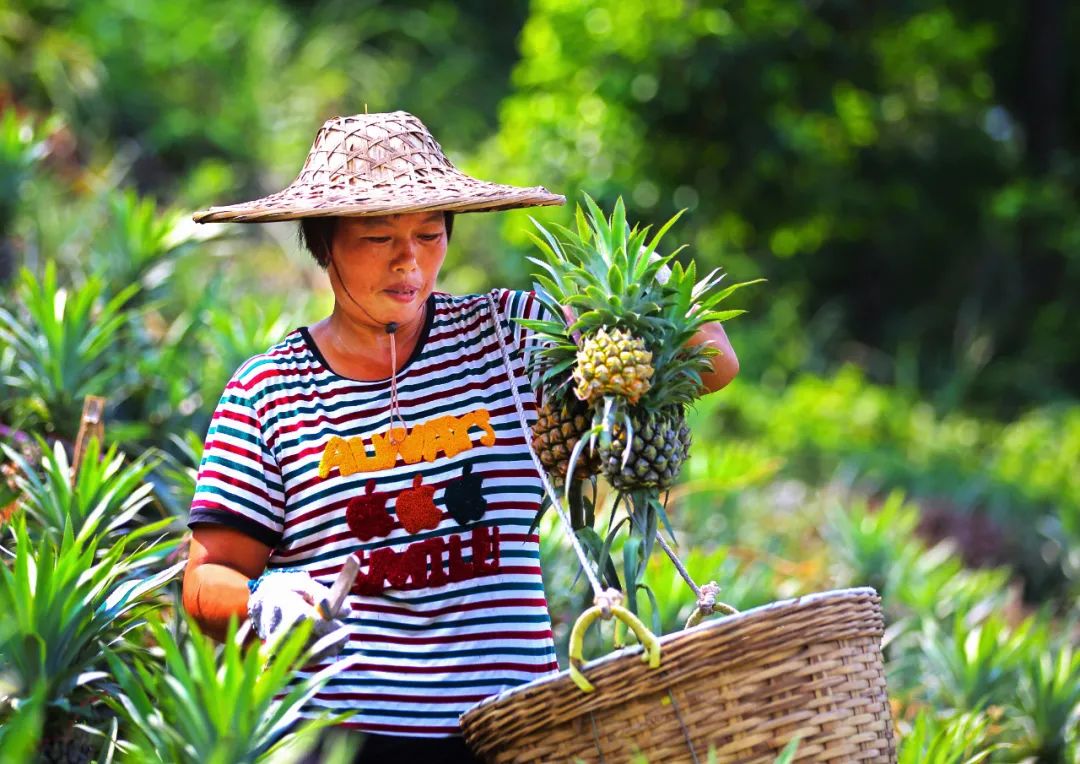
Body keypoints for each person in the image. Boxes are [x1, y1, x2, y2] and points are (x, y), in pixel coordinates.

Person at [181, 111, 739, 763]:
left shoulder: (509, 337)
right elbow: (207, 578)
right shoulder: (268, 390)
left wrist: (637, 291)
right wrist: (260, 601)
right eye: (378, 237)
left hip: (513, 728)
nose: (409, 259)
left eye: (429, 233)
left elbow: (716, 360)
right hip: (341, 737)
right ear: (324, 243)